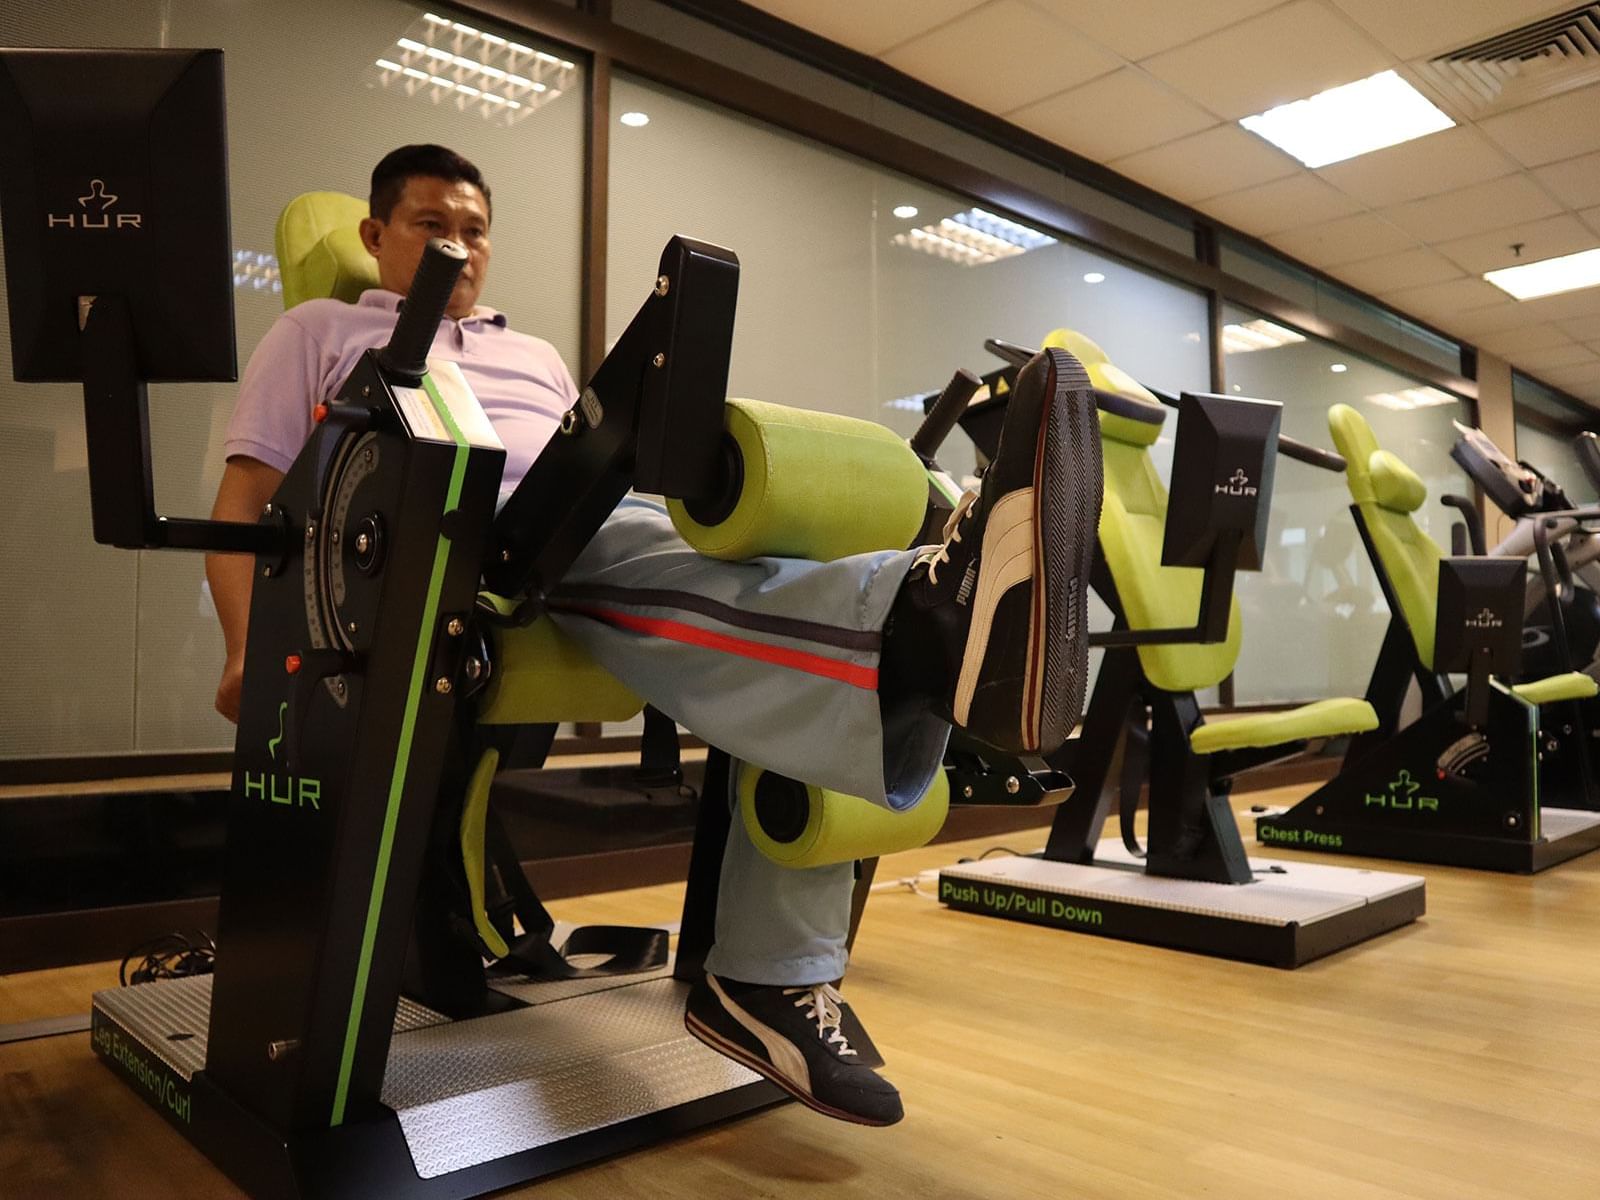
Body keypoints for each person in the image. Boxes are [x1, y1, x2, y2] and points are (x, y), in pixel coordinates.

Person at [207, 144, 1098, 1129]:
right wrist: (250, 654)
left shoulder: (534, 354)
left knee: (787, 568)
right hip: (445, 557)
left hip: (579, 539)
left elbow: (596, 478)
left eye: (473, 230)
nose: (458, 248)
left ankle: (924, 631)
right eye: (431, 226)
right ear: (376, 236)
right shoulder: (319, 330)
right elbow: (250, 508)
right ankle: (927, 645)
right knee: (773, 609)